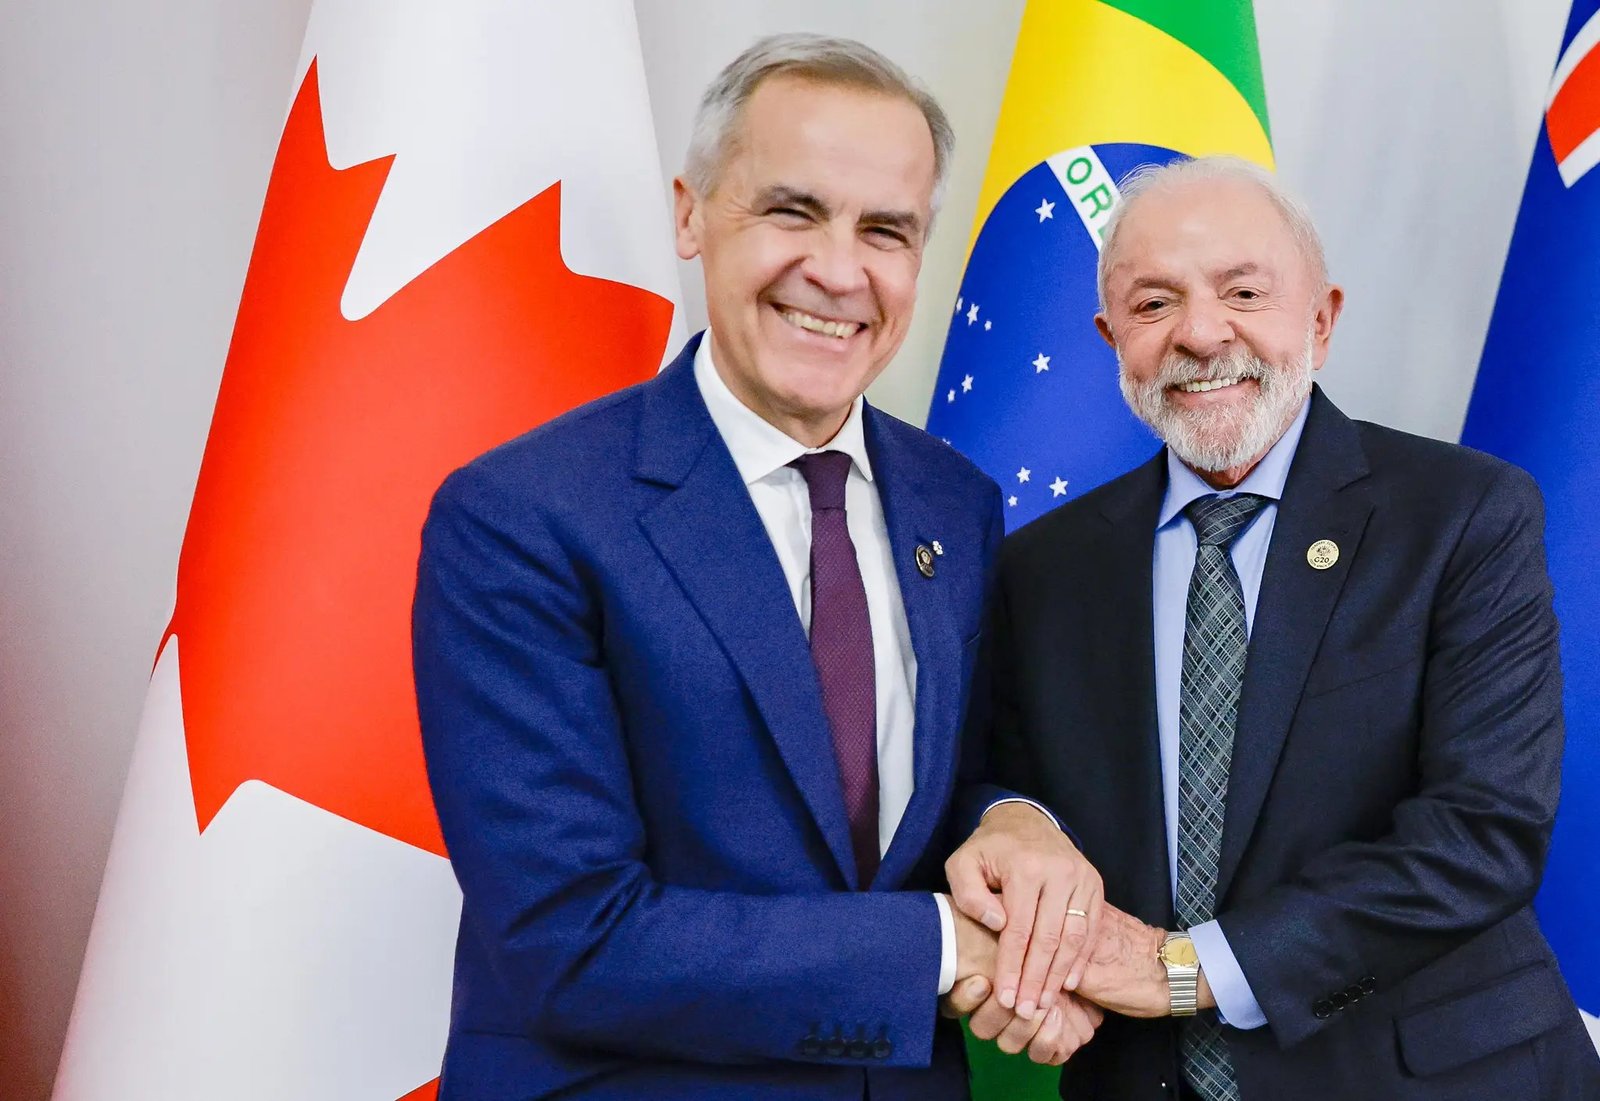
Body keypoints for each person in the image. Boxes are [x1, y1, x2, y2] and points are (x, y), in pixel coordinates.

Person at [411, 34, 1102, 1101]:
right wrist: (944, 951)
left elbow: (920, 793)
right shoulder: (522, 516)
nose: (838, 270)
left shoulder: (953, 501)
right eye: (791, 210)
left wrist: (1014, 822)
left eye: (885, 230)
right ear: (690, 214)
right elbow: (570, 938)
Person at [947, 156, 1600, 1099]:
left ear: (1321, 319)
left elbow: (1482, 833)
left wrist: (1186, 972)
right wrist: (1020, 837)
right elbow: (992, 778)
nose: (1201, 333)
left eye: (1244, 291)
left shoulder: (1463, 514)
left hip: (1434, 1076)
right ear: (1109, 337)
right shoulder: (1043, 566)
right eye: (1154, 303)